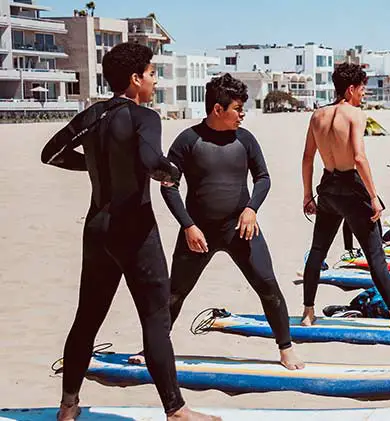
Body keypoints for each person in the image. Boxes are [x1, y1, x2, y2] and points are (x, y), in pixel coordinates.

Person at [40, 42, 217, 421]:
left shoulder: (92, 115)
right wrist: (171, 174)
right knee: (155, 317)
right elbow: (152, 160)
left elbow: (51, 154)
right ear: (135, 80)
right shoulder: (144, 116)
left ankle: (68, 406)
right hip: (133, 227)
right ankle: (176, 409)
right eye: (152, 74)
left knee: (87, 317)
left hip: (97, 227)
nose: (154, 81)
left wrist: (94, 166)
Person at [137, 74, 302, 371]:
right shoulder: (188, 141)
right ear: (217, 109)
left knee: (267, 286)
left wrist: (251, 209)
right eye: (237, 108)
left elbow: (263, 178)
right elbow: (169, 186)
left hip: (241, 229)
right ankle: (151, 348)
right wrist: (188, 225)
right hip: (198, 231)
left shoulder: (246, 139)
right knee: (175, 292)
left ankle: (286, 348)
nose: (243, 114)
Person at [300, 63, 390, 328]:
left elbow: (308, 158)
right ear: (350, 89)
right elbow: (358, 157)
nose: (364, 93)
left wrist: (307, 195)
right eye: (362, 88)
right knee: (375, 254)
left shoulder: (317, 116)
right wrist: (373, 196)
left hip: (328, 188)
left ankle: (308, 312)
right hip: (351, 188)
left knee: (317, 251)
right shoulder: (354, 114)